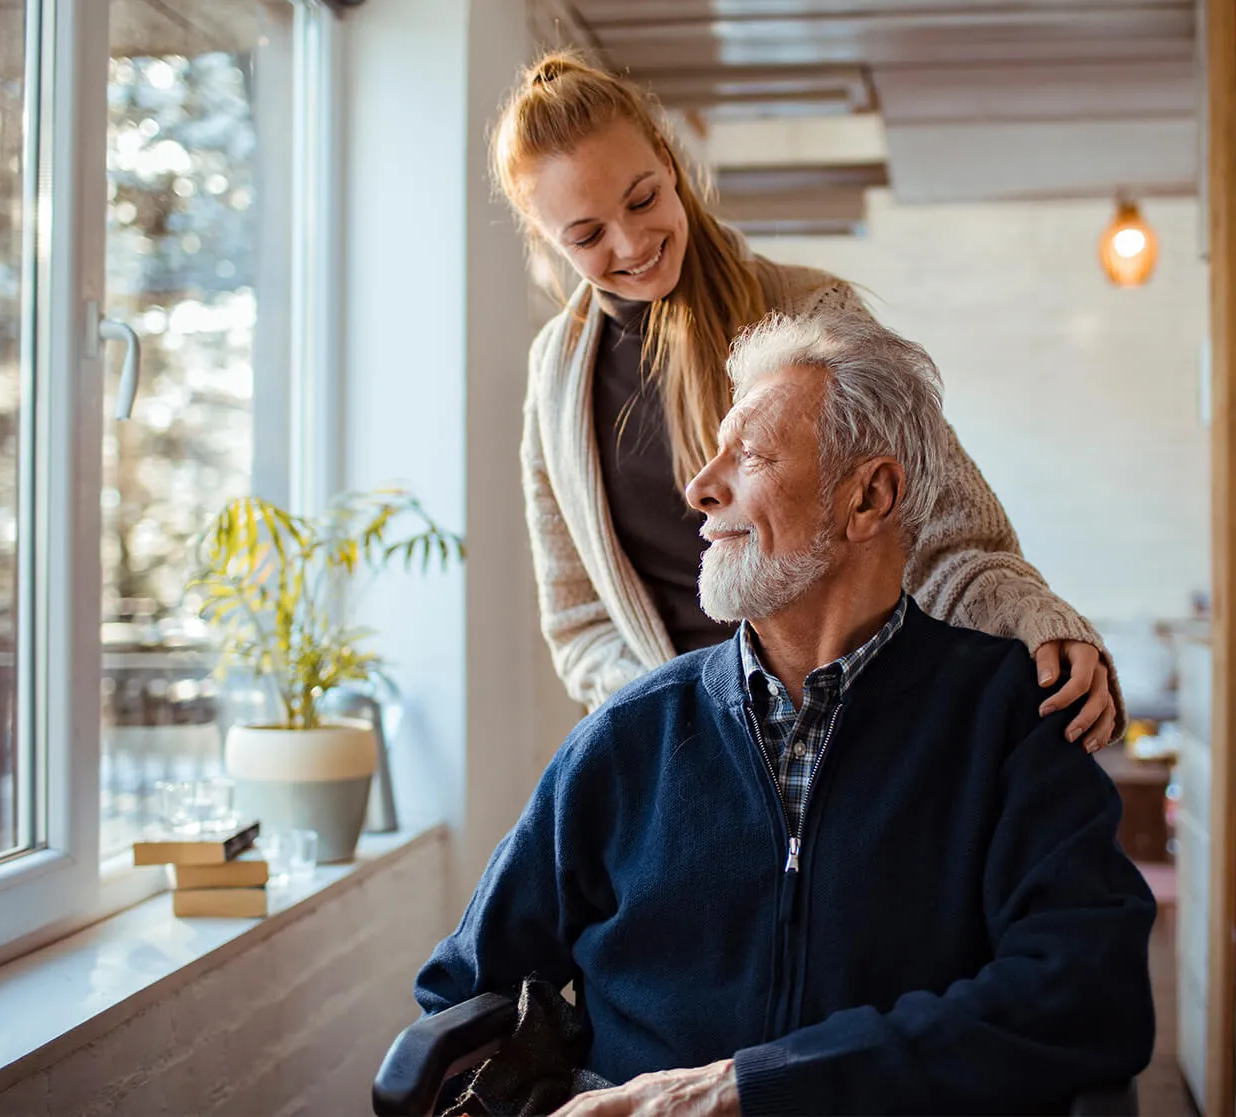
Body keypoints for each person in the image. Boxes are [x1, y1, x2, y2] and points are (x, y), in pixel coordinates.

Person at [415, 308, 1157, 1116]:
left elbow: (1088, 995)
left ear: (869, 496)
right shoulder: (627, 736)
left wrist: (747, 1087)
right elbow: (460, 993)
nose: (700, 487)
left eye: (753, 455)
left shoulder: (1010, 724)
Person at [498, 51, 1123, 751]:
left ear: (670, 163)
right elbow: (578, 619)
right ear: (547, 241)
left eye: (642, 199)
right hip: (683, 761)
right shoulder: (555, 380)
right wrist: (674, 716)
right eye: (586, 235)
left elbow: (944, 532)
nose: (632, 242)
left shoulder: (812, 314)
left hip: (854, 741)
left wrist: (1036, 619)